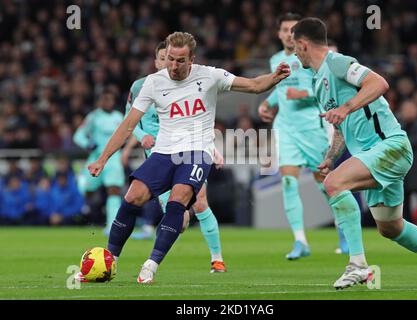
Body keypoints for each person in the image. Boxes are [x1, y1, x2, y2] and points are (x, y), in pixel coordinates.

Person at [85, 31, 290, 284]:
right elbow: (128, 125)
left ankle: (151, 265)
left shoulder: (210, 75)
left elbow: (254, 85)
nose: (173, 65)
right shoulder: (153, 82)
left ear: (191, 59)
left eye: (180, 60)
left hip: (196, 151)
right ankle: (110, 261)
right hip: (164, 151)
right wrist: (103, 159)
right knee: (132, 196)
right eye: (170, 59)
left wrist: (275, 77)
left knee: (179, 199)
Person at [291, 17, 417, 289]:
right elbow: (341, 127)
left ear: (303, 44)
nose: (294, 52)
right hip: (372, 154)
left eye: (294, 46)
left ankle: (358, 265)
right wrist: (330, 157)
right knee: (391, 227)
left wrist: (347, 107)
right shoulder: (319, 82)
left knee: (335, 184)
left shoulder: (337, 62)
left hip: (390, 146)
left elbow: (379, 83)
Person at [121, 40, 228, 273]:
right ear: (157, 60)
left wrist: (212, 149)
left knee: (200, 202)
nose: (167, 63)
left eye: (173, 59)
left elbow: (199, 120)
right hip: (160, 156)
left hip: (190, 152)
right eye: (163, 58)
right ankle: (153, 259)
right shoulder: (143, 86)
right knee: (178, 220)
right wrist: (141, 137)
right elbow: (129, 120)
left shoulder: (189, 85)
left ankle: (216, 259)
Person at [258, 13, 354, 260]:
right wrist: (267, 104)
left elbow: (325, 88)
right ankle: (300, 241)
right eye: (285, 29)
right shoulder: (276, 60)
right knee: (288, 182)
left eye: (293, 29)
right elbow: (281, 91)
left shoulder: (312, 59)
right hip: (286, 129)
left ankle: (343, 231)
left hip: (313, 127)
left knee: (325, 183)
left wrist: (301, 94)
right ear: (279, 33)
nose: (289, 34)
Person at [73, 89, 125, 234]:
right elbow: (78, 135)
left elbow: (126, 133)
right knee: (88, 189)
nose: (107, 102)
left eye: (110, 99)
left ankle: (111, 226)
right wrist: (87, 144)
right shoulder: (93, 117)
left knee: (114, 190)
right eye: (104, 99)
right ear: (99, 101)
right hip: (96, 158)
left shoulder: (119, 117)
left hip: (113, 158)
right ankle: (84, 209)